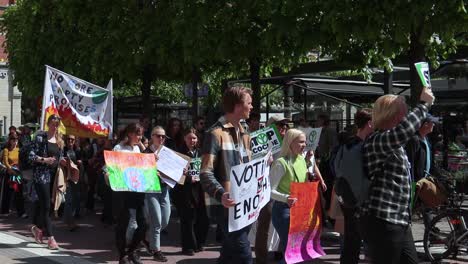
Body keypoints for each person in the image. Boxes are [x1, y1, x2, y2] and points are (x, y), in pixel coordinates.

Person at [360, 87, 435, 264]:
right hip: (382, 221)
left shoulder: (394, 143)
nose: (408, 113)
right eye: (405, 110)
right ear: (394, 115)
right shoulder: (377, 140)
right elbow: (404, 130)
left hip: (399, 220)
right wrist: (424, 104)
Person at [200, 86, 253, 264]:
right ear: (238, 106)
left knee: (229, 254)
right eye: (249, 103)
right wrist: (221, 193)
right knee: (244, 253)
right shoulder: (215, 134)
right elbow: (205, 173)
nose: (251, 106)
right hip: (226, 208)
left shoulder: (245, 133)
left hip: (244, 206)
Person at [270, 129, 325, 264]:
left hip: (299, 210)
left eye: (305, 142)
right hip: (284, 211)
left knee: (294, 251)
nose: (304, 145)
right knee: (292, 250)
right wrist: (286, 198)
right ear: (290, 142)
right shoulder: (280, 163)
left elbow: (303, 181)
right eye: (301, 142)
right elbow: (269, 191)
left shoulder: (301, 159)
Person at [254, 115, 290, 264]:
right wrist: (265, 161)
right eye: (280, 125)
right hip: (266, 190)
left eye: (285, 126)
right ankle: (261, 258)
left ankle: (279, 252)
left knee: (282, 225)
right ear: (272, 127)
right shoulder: (261, 142)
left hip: (282, 189)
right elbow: (253, 164)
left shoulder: (287, 143)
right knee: (264, 224)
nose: (284, 128)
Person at [338, 109, 373, 264]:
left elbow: (335, 166)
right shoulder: (363, 147)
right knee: (355, 240)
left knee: (351, 240)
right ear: (369, 123)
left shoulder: (347, 143)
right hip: (359, 199)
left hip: (345, 196)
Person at [111, 123, 147, 264]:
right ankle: (122, 254)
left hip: (137, 191)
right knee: (123, 223)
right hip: (123, 191)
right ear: (130, 133)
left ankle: (132, 251)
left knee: (143, 224)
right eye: (138, 134)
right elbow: (113, 167)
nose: (140, 137)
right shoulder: (119, 148)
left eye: (141, 134)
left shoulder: (138, 148)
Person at [29, 114, 65, 250]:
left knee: (46, 206)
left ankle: (37, 228)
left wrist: (63, 161)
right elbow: (31, 155)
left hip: (54, 177)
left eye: (57, 124)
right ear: (48, 123)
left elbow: (59, 157)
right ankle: (51, 238)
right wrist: (44, 160)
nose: (55, 127)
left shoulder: (60, 140)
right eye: (53, 124)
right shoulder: (40, 137)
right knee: (46, 206)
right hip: (41, 176)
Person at [173, 128, 209, 256]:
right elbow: (175, 173)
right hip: (185, 191)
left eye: (194, 138)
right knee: (187, 219)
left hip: (200, 190)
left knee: (202, 218)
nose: (192, 140)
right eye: (189, 138)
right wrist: (187, 177)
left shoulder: (201, 153)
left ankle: (199, 243)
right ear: (184, 139)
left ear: (197, 139)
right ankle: (188, 246)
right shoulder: (179, 154)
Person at [142, 126, 171, 262]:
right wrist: (151, 167)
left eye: (163, 136)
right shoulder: (146, 152)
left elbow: (175, 170)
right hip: (151, 189)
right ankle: (156, 251)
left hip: (164, 189)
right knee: (157, 221)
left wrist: (182, 172)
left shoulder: (167, 152)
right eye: (158, 136)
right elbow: (140, 172)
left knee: (164, 219)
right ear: (152, 137)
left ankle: (147, 236)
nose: (161, 138)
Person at [1, 133, 26, 218]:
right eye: (13, 140)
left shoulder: (19, 149)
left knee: (19, 192)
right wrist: (10, 170)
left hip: (17, 174)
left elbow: (22, 161)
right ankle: (5, 210)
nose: (15, 141)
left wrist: (19, 168)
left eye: (16, 140)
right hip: (9, 173)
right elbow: (5, 162)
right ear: (10, 140)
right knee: (7, 192)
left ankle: (21, 212)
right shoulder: (6, 150)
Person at [63, 135, 82, 231]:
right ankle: (69, 222)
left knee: (75, 200)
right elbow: (60, 163)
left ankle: (72, 221)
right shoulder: (63, 150)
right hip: (67, 178)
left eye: (72, 139)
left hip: (76, 178)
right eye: (68, 139)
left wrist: (80, 162)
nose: (70, 141)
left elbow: (82, 162)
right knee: (69, 200)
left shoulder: (77, 150)